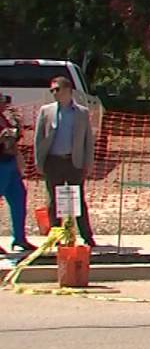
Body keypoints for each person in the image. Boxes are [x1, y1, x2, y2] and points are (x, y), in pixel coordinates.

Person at [34, 76, 96, 245]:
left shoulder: (82, 113)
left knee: (77, 199)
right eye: (52, 90)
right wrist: (39, 162)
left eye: (57, 89)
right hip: (53, 162)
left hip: (74, 162)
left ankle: (87, 236)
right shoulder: (46, 111)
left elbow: (88, 141)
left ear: (68, 90)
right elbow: (38, 138)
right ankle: (57, 236)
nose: (54, 93)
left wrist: (88, 164)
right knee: (54, 200)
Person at [1, 95, 33, 252]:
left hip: (10, 163)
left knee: (19, 198)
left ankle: (19, 238)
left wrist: (17, 124)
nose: (4, 104)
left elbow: (13, 139)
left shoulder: (4, 118)